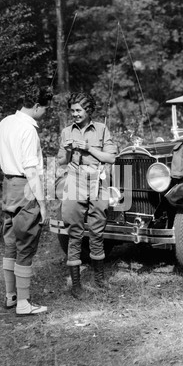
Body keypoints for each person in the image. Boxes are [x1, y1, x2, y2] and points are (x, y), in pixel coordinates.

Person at [0, 84, 53, 316]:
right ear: (35, 106)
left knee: (11, 243)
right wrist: (43, 205)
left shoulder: (5, 122)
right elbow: (31, 171)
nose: (45, 113)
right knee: (25, 245)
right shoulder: (28, 130)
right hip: (25, 188)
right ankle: (23, 304)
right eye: (45, 109)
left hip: (8, 186)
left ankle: (10, 296)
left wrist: (4, 173)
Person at [57, 92, 117, 299]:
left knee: (97, 231)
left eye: (78, 110)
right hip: (74, 180)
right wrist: (66, 151)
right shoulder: (66, 132)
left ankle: (99, 280)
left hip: (98, 181)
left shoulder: (101, 129)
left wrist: (88, 148)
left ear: (88, 110)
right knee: (74, 232)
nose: (74, 114)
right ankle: (76, 286)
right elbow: (61, 161)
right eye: (72, 110)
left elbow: (111, 157)